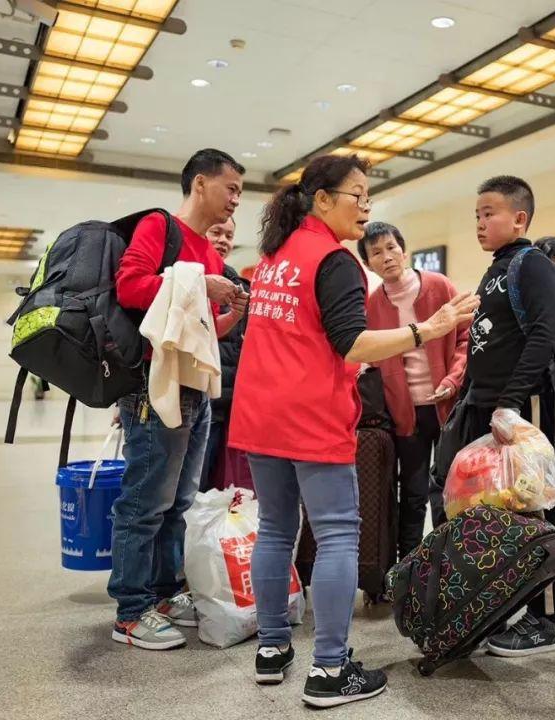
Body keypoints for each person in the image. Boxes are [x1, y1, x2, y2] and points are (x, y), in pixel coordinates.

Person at [227, 154, 478, 708]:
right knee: (338, 534)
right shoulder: (334, 261)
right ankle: (330, 668)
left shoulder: (274, 256)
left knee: (275, 529)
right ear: (322, 199)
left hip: (261, 412)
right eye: (357, 195)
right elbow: (353, 344)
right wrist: (428, 329)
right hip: (310, 416)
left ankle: (271, 648)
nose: (366, 207)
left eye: (369, 197)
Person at [110, 149, 249, 651]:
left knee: (178, 504)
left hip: (195, 390)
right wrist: (195, 282)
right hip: (155, 387)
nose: (236, 199)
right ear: (200, 184)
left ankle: (165, 594)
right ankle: (130, 612)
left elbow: (203, 329)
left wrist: (231, 311)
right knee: (144, 503)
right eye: (231, 188)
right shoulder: (159, 227)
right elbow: (129, 287)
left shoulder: (208, 251)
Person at [446, 175, 555, 657]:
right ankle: (509, 606)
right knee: (499, 513)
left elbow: (544, 336)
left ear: (519, 218)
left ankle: (546, 619)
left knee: (534, 510)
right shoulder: (497, 267)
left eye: (488, 213)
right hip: (487, 404)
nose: (479, 223)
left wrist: (511, 402)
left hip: (521, 406)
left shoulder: (532, 264)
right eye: (476, 214)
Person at [358, 221, 469, 556]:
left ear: (404, 250)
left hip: (448, 406)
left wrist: (452, 379)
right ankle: (410, 568)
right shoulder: (371, 304)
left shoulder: (439, 286)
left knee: (451, 490)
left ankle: (450, 562)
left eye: (391, 248)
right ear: (368, 263)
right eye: (376, 253)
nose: (387, 257)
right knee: (412, 493)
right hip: (404, 414)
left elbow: (465, 338)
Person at [199, 216, 249, 492]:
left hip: (227, 410)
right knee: (190, 490)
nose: (223, 241)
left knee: (216, 493)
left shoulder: (240, 288)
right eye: (216, 232)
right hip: (193, 402)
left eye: (229, 236)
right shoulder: (185, 280)